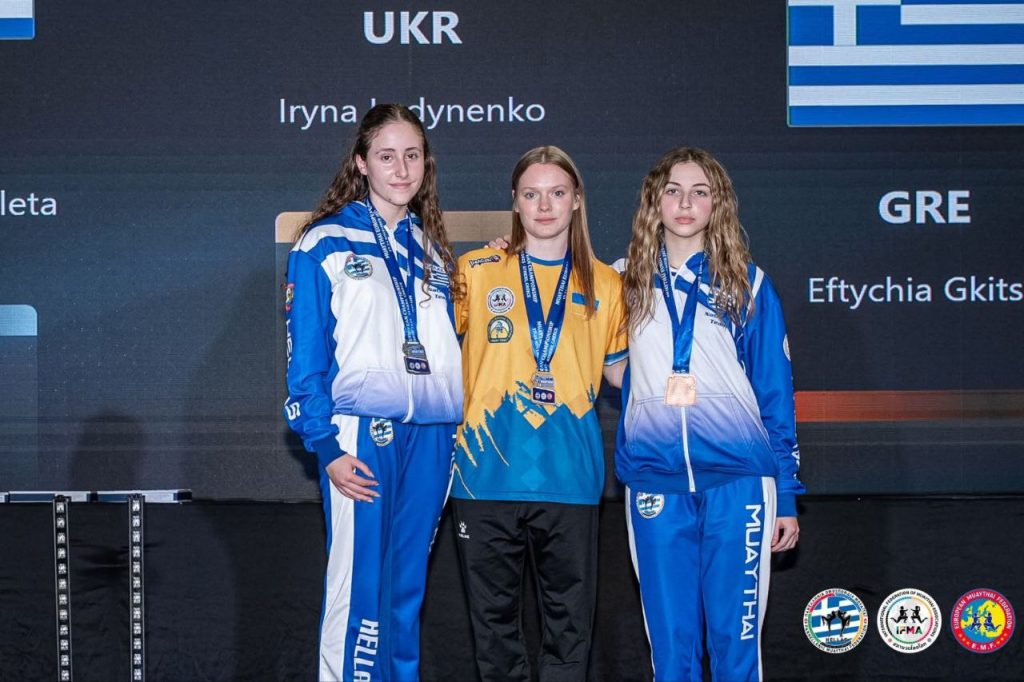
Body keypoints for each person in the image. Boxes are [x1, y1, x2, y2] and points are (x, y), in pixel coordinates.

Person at [283, 103, 462, 682]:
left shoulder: (432, 250)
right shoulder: (324, 242)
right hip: (361, 432)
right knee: (359, 589)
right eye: (387, 156)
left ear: (426, 163)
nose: (401, 169)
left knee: (405, 592)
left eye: (413, 156)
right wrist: (326, 446)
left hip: (433, 435)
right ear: (361, 163)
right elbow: (306, 357)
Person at [615, 147, 805, 681]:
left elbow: (775, 395)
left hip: (739, 482)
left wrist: (786, 493)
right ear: (653, 201)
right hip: (654, 480)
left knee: (734, 644)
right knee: (671, 648)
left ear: (717, 204)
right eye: (673, 191)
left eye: (700, 192)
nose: (685, 203)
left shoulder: (748, 283)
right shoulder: (621, 282)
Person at [450, 146, 628, 682]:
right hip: (483, 473)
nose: (544, 206)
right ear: (515, 202)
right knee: (494, 630)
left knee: (569, 631)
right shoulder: (476, 270)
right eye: (532, 194)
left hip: (569, 477)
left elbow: (621, 374)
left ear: (577, 201)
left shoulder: (608, 284)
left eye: (557, 193)